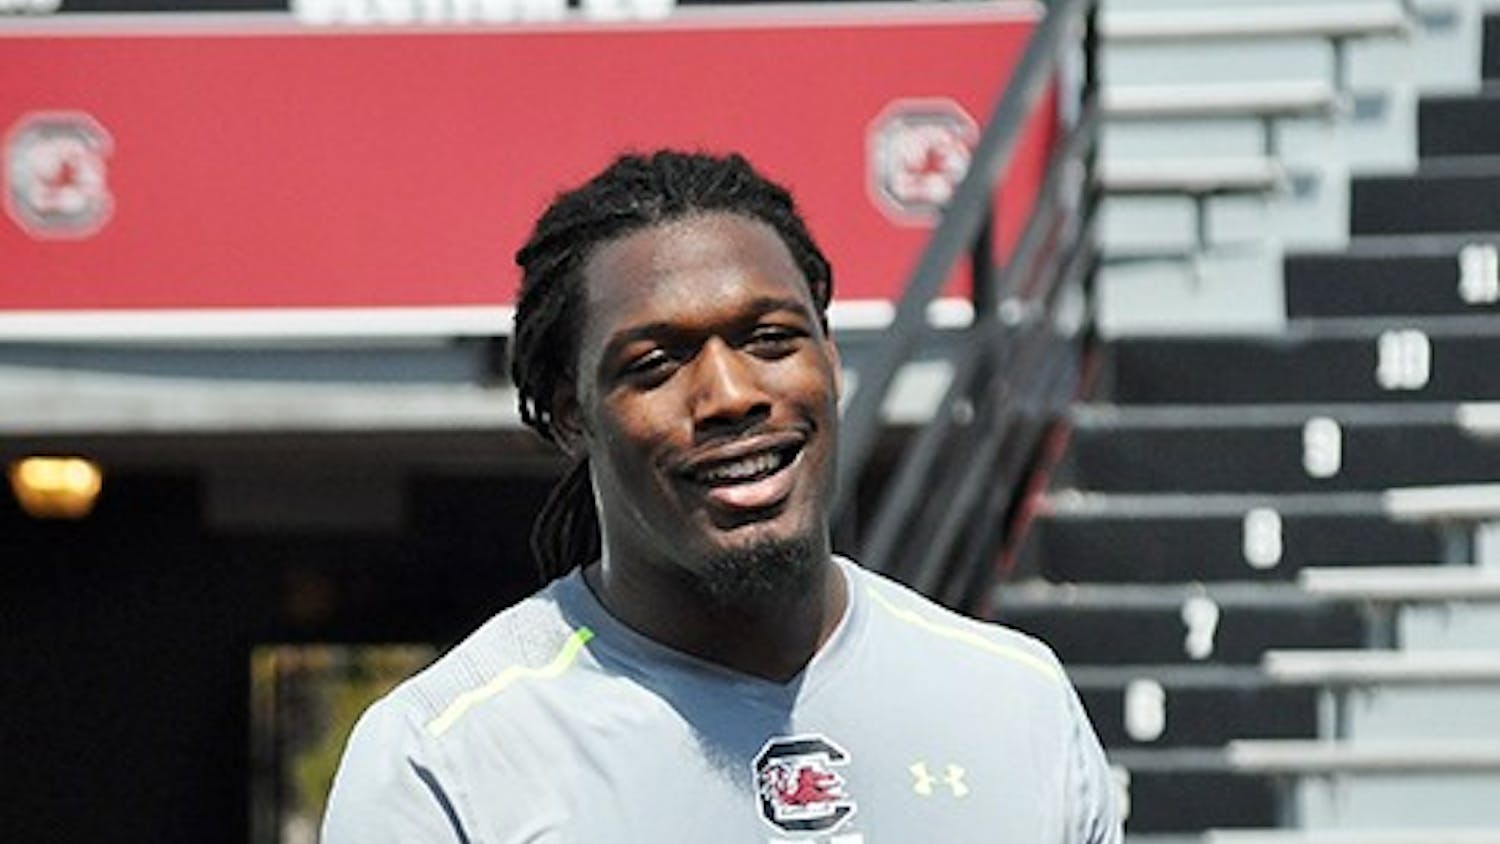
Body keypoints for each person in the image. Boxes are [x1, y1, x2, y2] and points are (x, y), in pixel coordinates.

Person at [322, 149, 1122, 843]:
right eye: (656, 363)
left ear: (832, 359)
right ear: (572, 414)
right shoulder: (447, 756)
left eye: (771, 339)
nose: (731, 394)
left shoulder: (1016, 699)